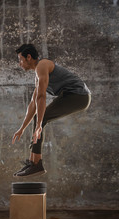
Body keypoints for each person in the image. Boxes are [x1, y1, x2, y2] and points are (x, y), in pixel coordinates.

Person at [12, 44, 91, 177]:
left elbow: (42, 97)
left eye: (20, 59)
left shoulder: (42, 65)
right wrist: (22, 128)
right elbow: (33, 103)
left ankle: (36, 164)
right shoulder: (38, 74)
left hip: (79, 96)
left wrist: (39, 126)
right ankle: (33, 162)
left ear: (29, 57)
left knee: (40, 119)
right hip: (71, 95)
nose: (19, 64)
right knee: (39, 118)